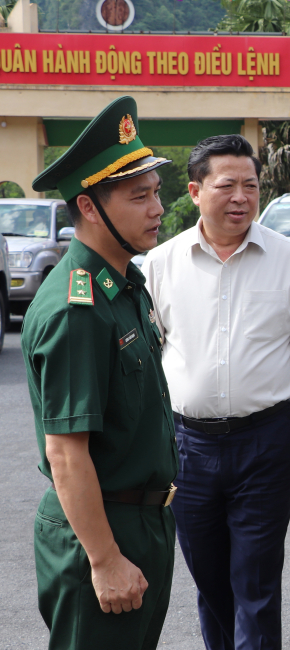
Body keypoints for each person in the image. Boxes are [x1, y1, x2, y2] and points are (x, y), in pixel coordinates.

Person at [142, 134, 290, 650]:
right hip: (188, 448)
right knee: (209, 581)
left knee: (255, 579)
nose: (240, 198)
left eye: (250, 186)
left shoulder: (289, 259)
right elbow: (145, 358)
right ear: (194, 191)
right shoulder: (161, 264)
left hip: (265, 441)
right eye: (226, 185)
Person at [23, 96, 177, 650]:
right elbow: (66, 452)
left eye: (156, 192)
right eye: (140, 197)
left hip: (141, 520)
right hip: (103, 528)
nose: (158, 207)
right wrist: (106, 558)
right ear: (90, 207)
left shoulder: (123, 286)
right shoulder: (77, 308)